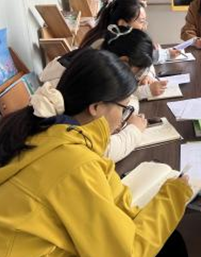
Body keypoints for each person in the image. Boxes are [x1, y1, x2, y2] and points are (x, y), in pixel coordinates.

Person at [0, 49, 193, 257]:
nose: (125, 118)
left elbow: (108, 194)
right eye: (125, 109)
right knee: (167, 249)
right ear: (96, 107)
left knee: (166, 245)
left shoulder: (47, 133)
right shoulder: (70, 159)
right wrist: (173, 196)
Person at [40, 27, 156, 162]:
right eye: (138, 73)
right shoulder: (88, 79)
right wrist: (134, 130)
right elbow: (100, 151)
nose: (139, 78)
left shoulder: (94, 61)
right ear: (124, 62)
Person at [79, 0, 168, 97]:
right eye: (141, 21)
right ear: (123, 24)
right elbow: (109, 93)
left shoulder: (121, 38)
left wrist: (148, 75)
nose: (145, 27)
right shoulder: (104, 45)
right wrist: (145, 91)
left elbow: (145, 61)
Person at [109, 0, 181, 63]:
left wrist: (147, 44)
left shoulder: (118, 15)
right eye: (143, 1)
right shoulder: (116, 34)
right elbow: (137, 56)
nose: (145, 5)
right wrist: (165, 54)